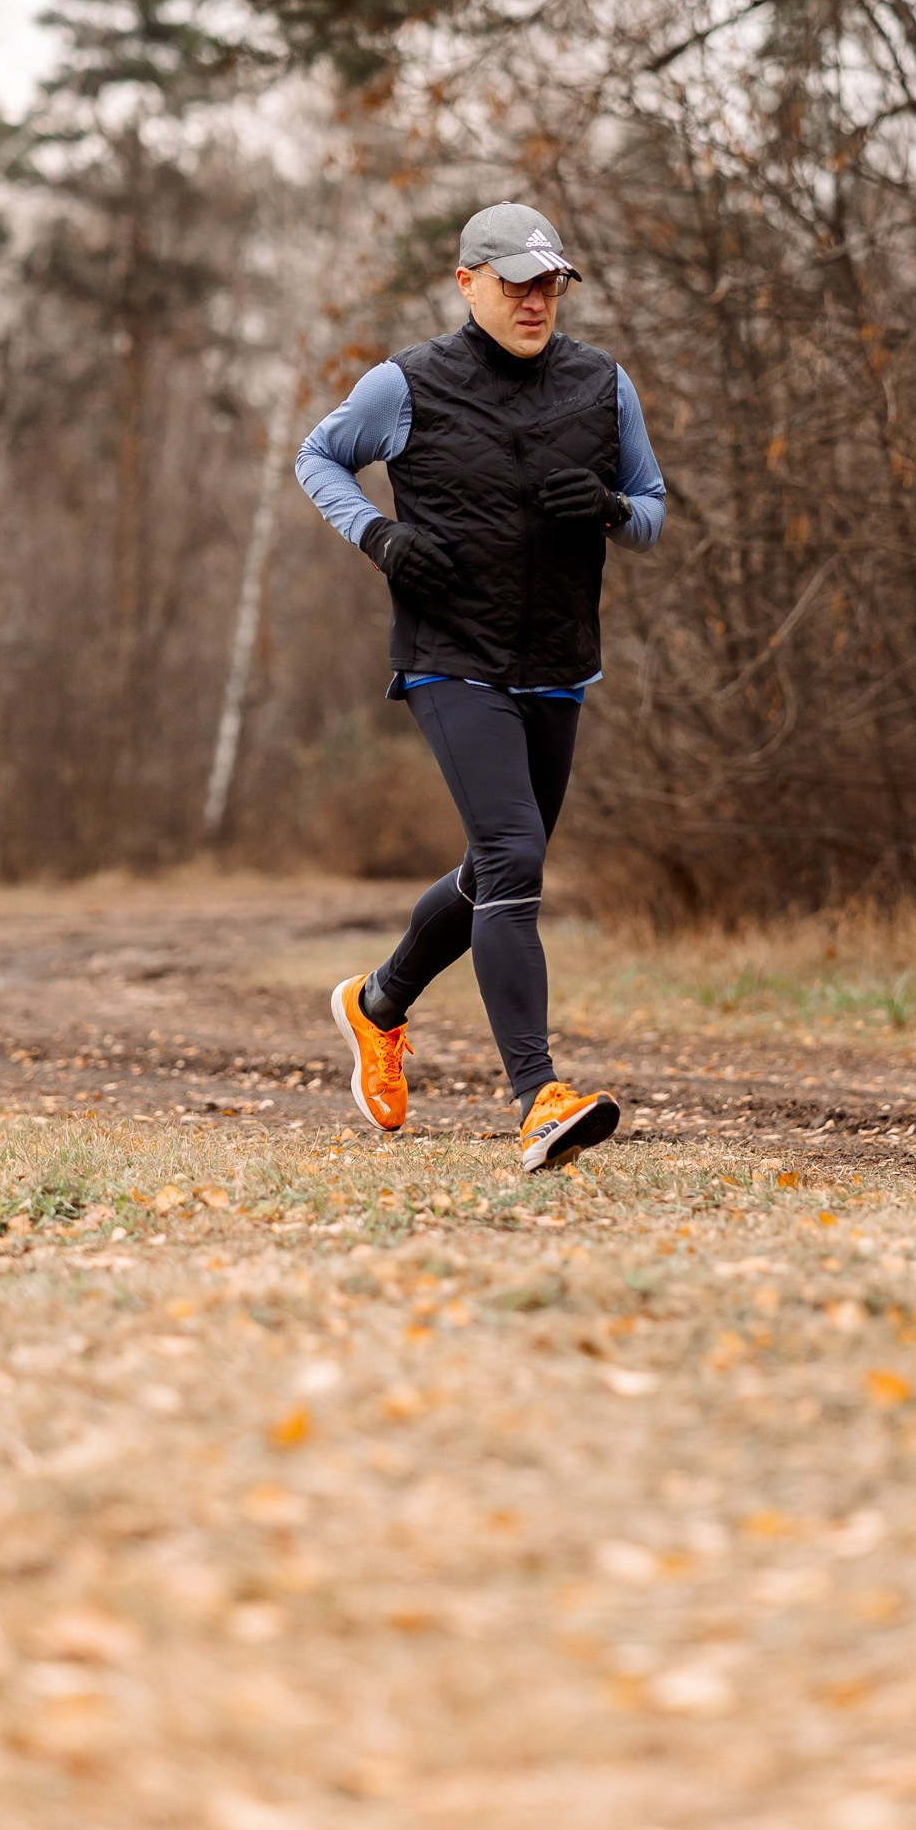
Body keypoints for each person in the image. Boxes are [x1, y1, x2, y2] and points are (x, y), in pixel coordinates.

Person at [295, 201, 666, 1171]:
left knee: (498, 867)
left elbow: (653, 513)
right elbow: (317, 457)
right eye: (515, 284)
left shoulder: (601, 385)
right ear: (468, 284)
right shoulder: (407, 383)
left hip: (554, 661)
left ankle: (376, 1007)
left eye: (548, 284)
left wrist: (613, 505)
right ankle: (537, 1096)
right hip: (450, 653)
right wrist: (378, 533)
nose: (535, 301)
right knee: (513, 856)